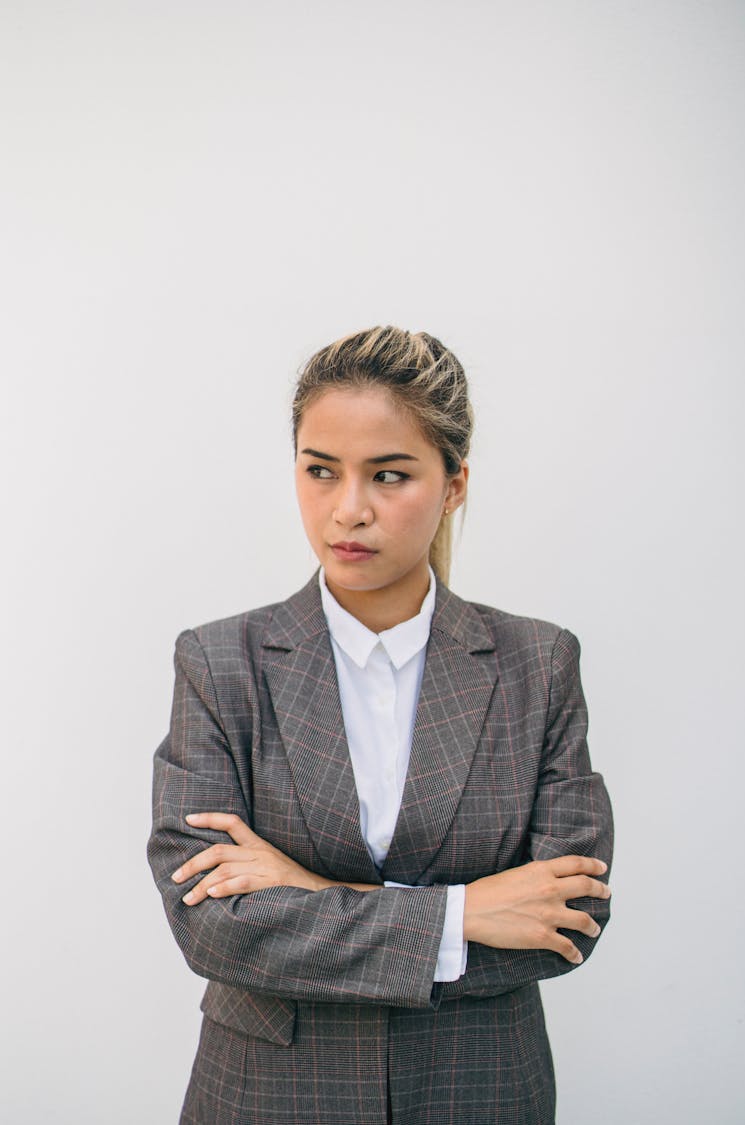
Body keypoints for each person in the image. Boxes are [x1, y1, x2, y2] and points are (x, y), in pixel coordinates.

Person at [147, 325, 614, 1125]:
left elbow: (567, 920)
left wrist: (307, 891)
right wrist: (462, 915)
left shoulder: (538, 663)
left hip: (479, 1090)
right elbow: (214, 928)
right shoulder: (222, 662)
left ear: (454, 482)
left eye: (388, 475)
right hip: (269, 1095)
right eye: (320, 471)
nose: (347, 509)